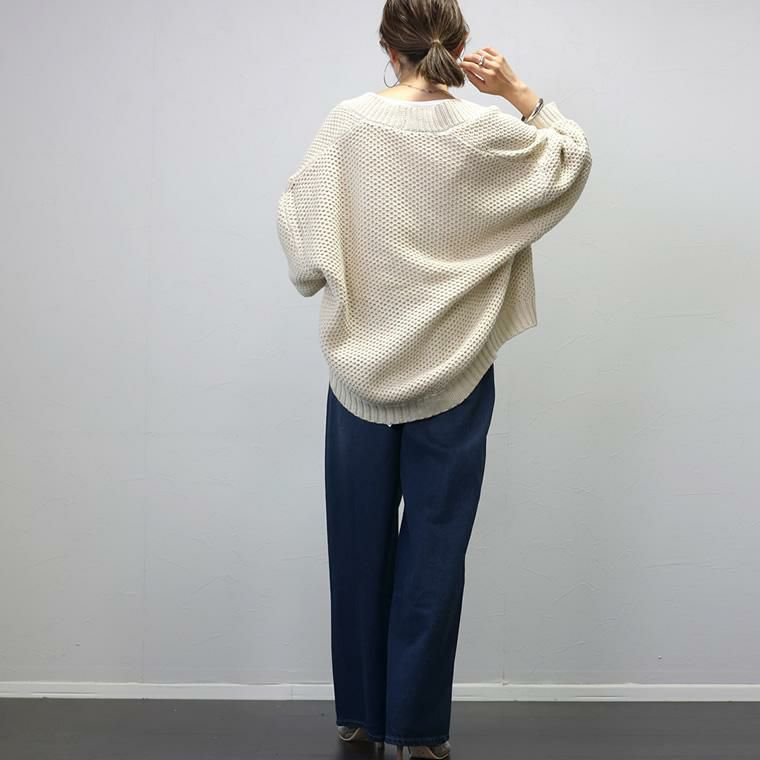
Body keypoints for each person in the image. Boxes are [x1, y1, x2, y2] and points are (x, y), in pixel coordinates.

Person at [275, 1, 593, 757]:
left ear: (387, 46)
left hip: (360, 373)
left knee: (356, 547)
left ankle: (360, 715)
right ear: (460, 44)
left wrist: (358, 262)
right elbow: (571, 160)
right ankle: (418, 733)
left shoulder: (348, 124)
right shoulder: (488, 132)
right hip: (457, 368)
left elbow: (304, 245)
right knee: (436, 553)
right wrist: (519, 93)